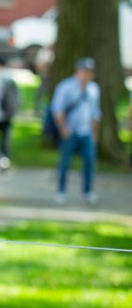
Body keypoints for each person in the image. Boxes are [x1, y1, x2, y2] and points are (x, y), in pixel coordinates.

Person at [51, 57, 101, 205]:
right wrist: (63, 129)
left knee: (89, 161)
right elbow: (57, 110)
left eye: (89, 71)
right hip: (70, 130)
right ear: (78, 71)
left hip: (86, 131)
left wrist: (94, 132)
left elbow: (95, 113)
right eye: (84, 70)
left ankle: (87, 192)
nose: (87, 74)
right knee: (65, 162)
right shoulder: (65, 87)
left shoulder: (94, 89)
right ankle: (61, 191)